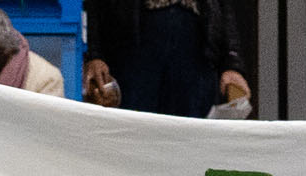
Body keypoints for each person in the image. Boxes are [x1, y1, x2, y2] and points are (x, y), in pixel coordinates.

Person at [82, 0, 250, 115]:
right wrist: (94, 55)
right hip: (133, 46)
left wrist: (232, 64)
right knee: (133, 134)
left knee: (191, 139)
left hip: (195, 49)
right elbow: (92, 6)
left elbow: (224, 7)